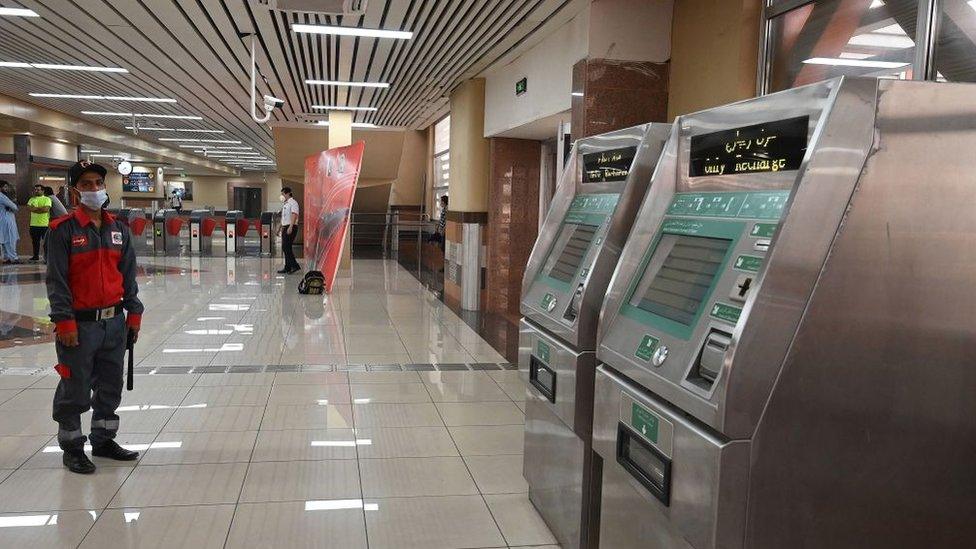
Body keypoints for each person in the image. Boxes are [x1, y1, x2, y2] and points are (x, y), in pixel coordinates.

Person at [47, 160, 143, 474]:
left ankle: (103, 439)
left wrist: (134, 314)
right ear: (75, 191)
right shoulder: (63, 231)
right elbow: (57, 281)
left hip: (114, 322)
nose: (94, 189)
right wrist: (64, 322)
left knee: (110, 385)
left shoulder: (118, 229)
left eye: (98, 183)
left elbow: (128, 276)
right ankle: (73, 446)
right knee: (75, 387)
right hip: (80, 324)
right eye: (86, 184)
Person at [278, 186, 301, 274]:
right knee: (285, 247)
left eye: (283, 194)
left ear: (287, 193)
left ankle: (295, 266)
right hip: (285, 227)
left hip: (291, 227)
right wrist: (279, 228)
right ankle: (287, 267)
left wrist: (291, 226)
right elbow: (284, 218)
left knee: (286, 247)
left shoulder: (293, 203)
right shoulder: (286, 204)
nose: (282, 195)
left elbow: (294, 215)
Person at [27, 184, 52, 262]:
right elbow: (30, 209)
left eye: (38, 190)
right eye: (35, 189)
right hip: (33, 224)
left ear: (43, 191)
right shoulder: (31, 199)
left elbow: (46, 210)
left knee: (46, 243)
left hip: (44, 224)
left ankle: (47, 258)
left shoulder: (47, 199)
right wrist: (40, 208)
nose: (36, 191)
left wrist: (35, 209)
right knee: (35, 242)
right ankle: (35, 256)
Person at [0, 181, 19, 264]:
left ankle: (7, 257)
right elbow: (14, 207)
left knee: (3, 239)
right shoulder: (2, 196)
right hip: (6, 220)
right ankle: (14, 258)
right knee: (10, 239)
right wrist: (13, 204)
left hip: (2, 219)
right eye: (5, 187)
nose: (6, 189)